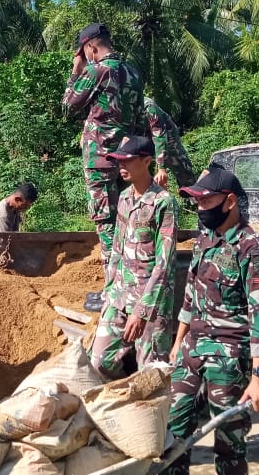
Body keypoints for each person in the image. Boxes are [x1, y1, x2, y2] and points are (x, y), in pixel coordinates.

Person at [166, 167, 259, 475]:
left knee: (228, 444)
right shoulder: (204, 240)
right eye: (197, 203)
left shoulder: (251, 248)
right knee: (172, 433)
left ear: (229, 202)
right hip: (191, 351)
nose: (200, 209)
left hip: (229, 358)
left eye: (206, 201)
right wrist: (178, 342)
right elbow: (191, 295)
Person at [88, 136, 178, 379]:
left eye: (127, 161)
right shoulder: (125, 198)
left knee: (151, 374)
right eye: (119, 162)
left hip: (150, 304)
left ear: (147, 161)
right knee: (98, 362)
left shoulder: (163, 203)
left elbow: (164, 264)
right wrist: (108, 293)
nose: (122, 167)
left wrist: (142, 311)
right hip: (119, 296)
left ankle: (152, 413)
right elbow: (116, 250)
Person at [62, 23, 147, 268]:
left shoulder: (97, 71)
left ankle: (113, 285)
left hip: (99, 159)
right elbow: (141, 119)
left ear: (90, 47)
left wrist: (75, 72)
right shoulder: (133, 72)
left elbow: (68, 107)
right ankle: (132, 278)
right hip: (129, 158)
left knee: (105, 221)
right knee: (127, 216)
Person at [0, 182, 39, 276]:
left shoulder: (14, 208)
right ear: (17, 199)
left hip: (6, 247)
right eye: (25, 205)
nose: (26, 208)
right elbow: (7, 240)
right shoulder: (3, 214)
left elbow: (15, 233)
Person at [145, 97, 197, 189]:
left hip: (168, 137)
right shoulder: (118, 103)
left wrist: (161, 168)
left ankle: (193, 196)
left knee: (182, 170)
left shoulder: (148, 106)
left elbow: (159, 136)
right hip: (146, 137)